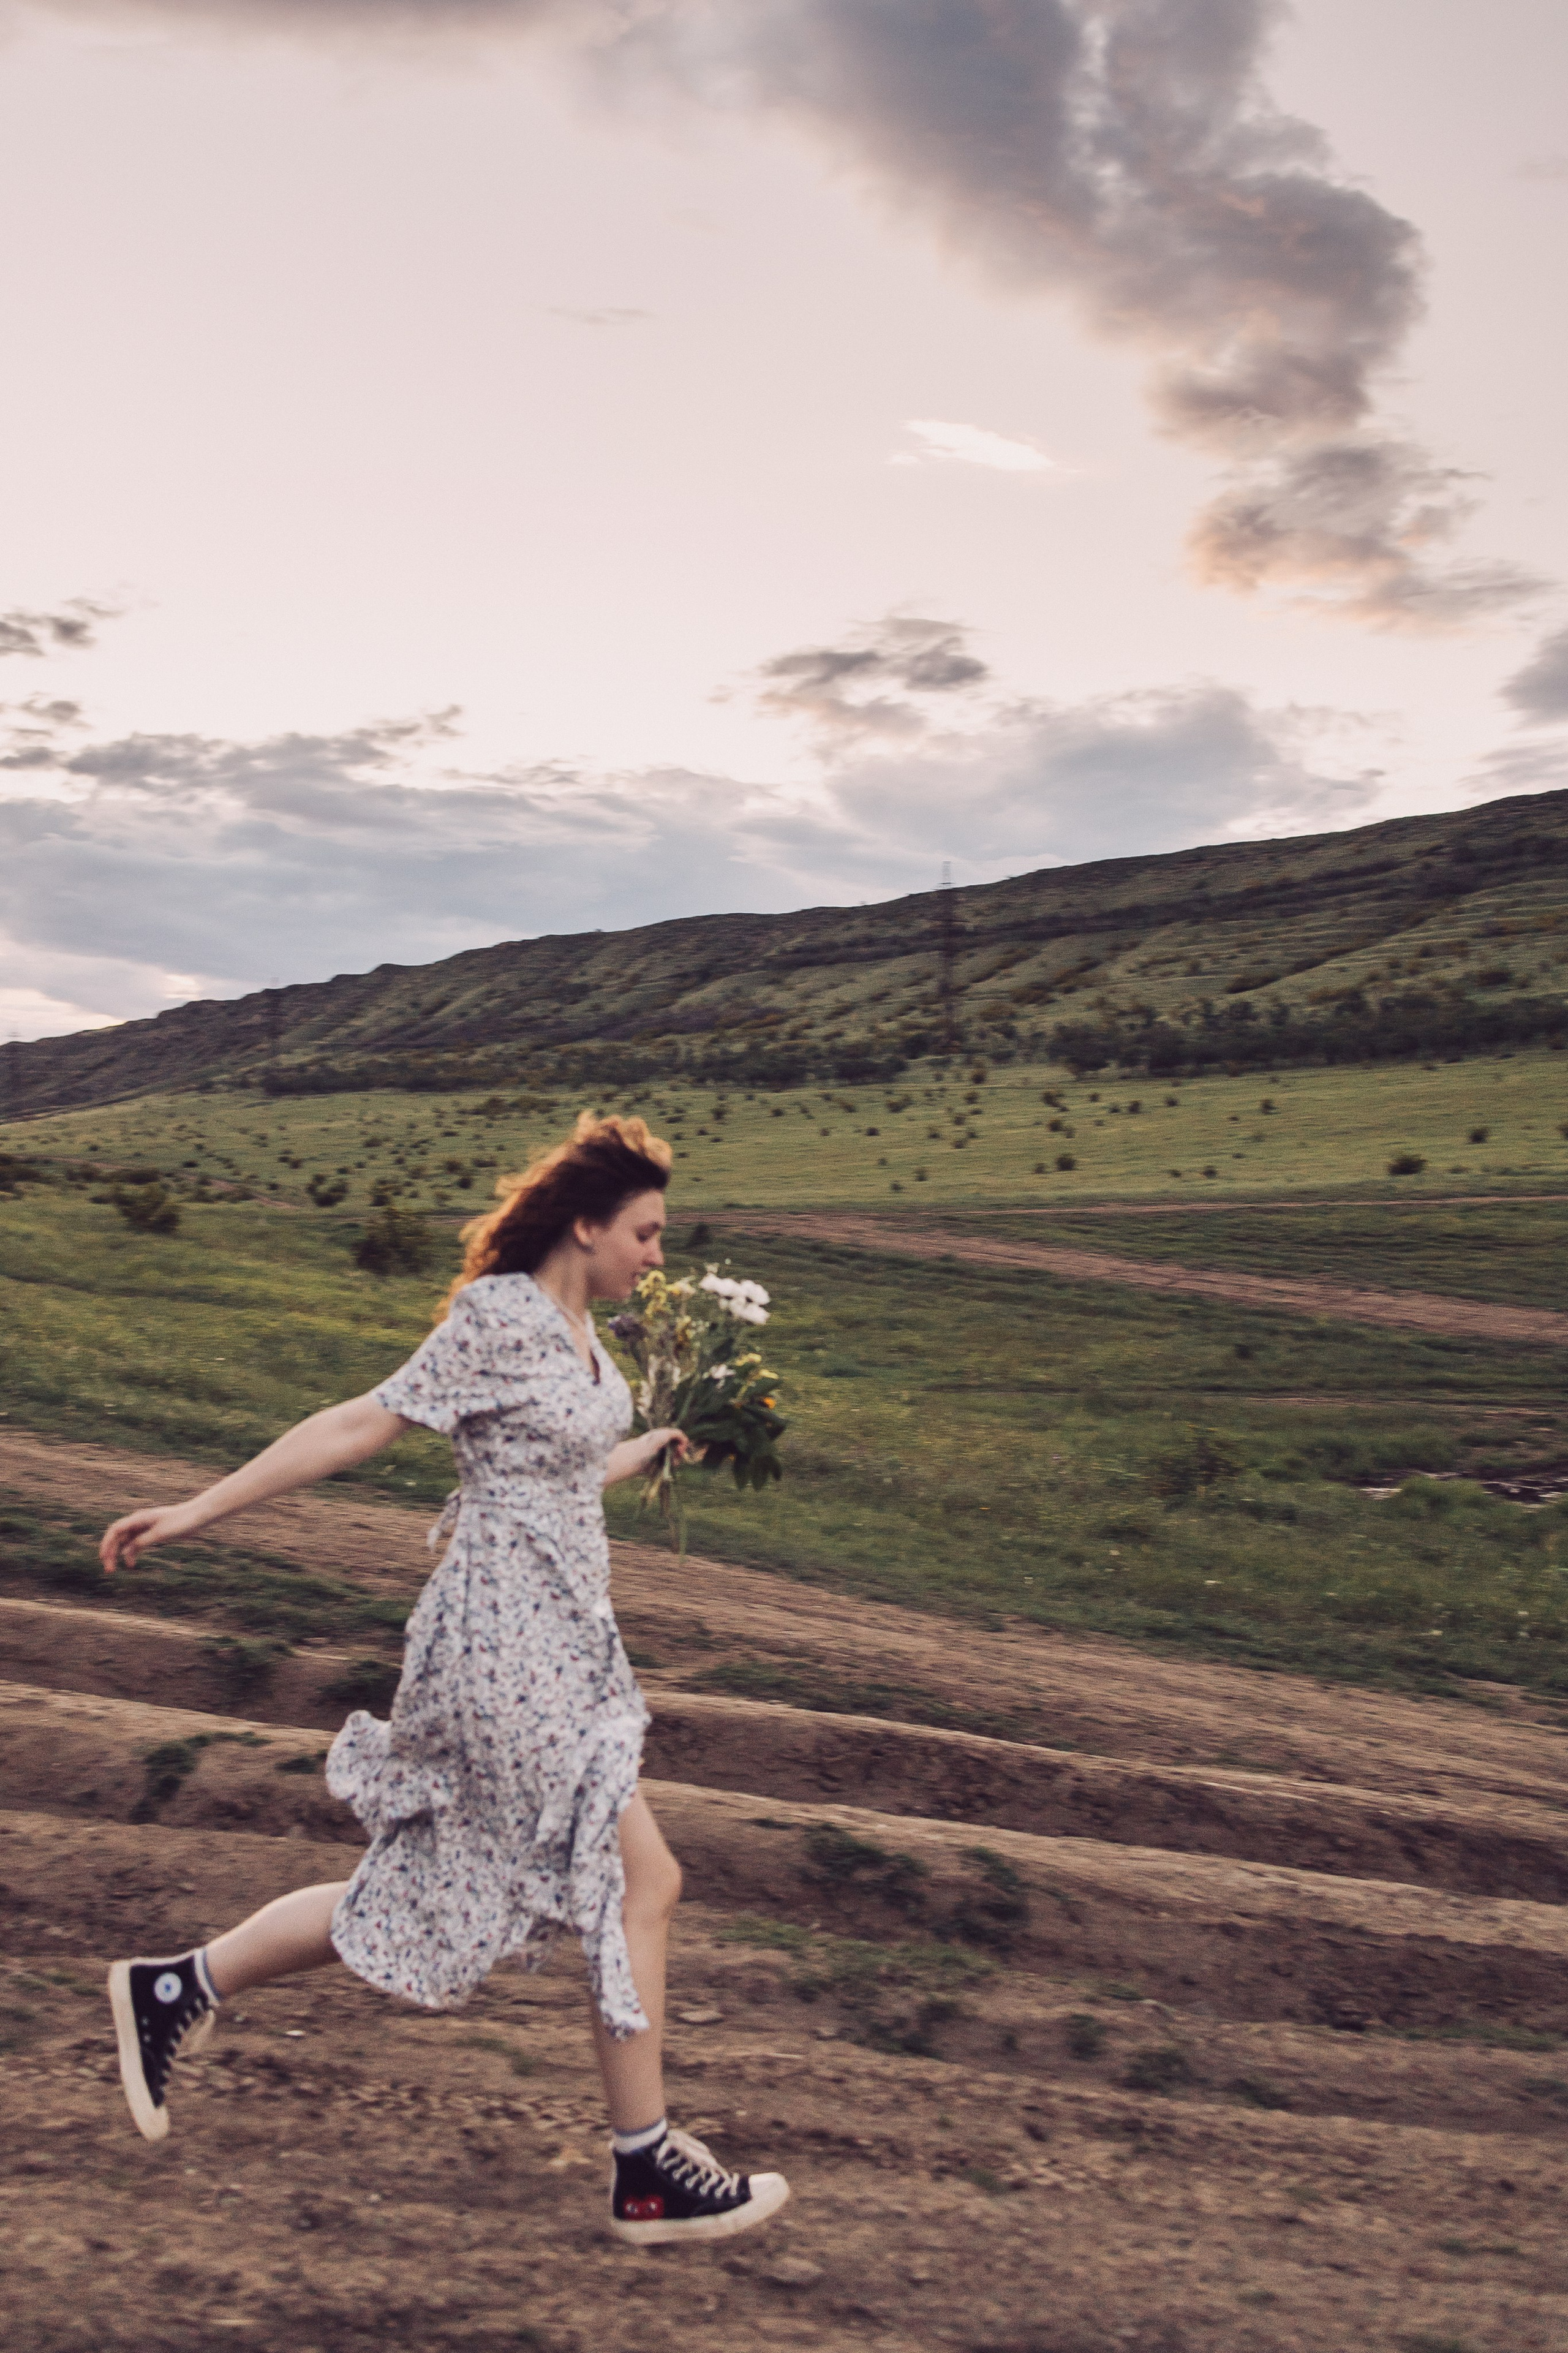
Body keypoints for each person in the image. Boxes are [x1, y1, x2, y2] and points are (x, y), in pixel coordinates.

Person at [97, 1112, 789, 2247]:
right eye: (648, 1232)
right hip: (504, 1646)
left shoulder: (581, 1333)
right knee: (637, 1884)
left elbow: (557, 1470)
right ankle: (645, 2166)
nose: (658, 1256)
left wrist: (653, 1446)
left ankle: (176, 1987)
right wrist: (195, 1509)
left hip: (569, 1640)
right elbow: (358, 1423)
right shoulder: (500, 1317)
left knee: (455, 1888)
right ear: (587, 1224)